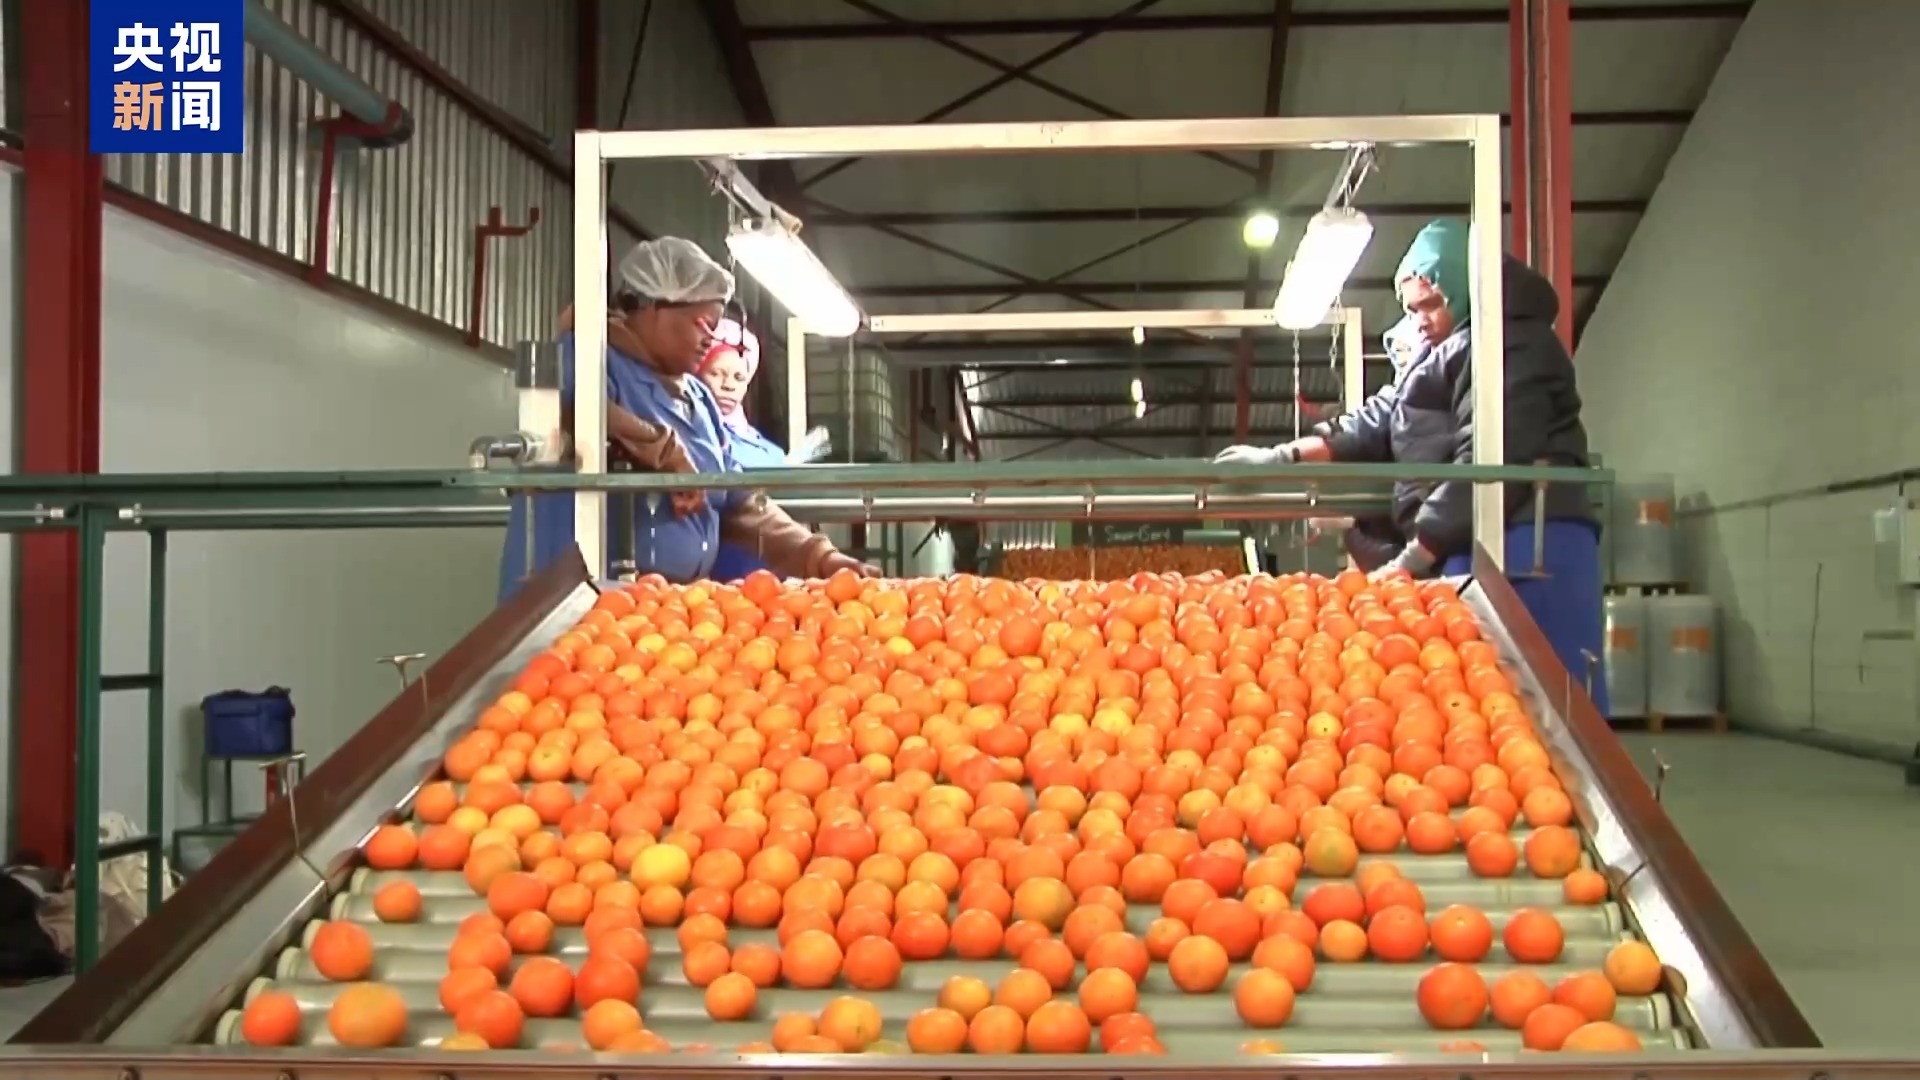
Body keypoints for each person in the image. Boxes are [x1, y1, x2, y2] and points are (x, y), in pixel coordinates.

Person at [1215, 219, 1604, 708]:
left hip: (1531, 544)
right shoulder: (1441, 350)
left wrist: (1416, 553)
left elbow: (1493, 457)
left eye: (1431, 304)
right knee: (1480, 704)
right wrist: (1283, 456)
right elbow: (1376, 421)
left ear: (1464, 288)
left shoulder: (1511, 345)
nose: (1420, 319)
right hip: (1469, 541)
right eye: (1412, 309)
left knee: (1551, 705)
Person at [497, 237, 871, 602]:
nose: (711, 338)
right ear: (651, 308)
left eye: (716, 326)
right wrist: (663, 449)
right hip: (577, 601)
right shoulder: (590, 357)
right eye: (702, 323)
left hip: (665, 609)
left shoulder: (698, 398)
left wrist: (819, 557)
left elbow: (739, 503)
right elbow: (569, 412)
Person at [695, 315, 788, 581]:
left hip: (764, 564)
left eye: (739, 377)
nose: (728, 385)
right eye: (716, 373)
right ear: (696, 375)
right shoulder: (692, 435)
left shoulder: (767, 450)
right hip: (710, 568)